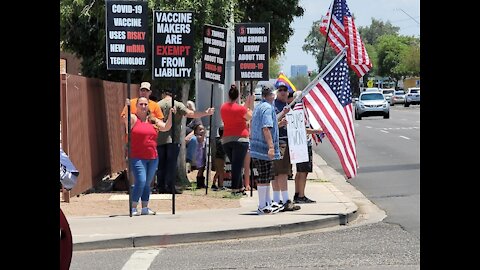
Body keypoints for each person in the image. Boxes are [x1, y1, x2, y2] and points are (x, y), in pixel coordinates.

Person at [156, 89, 215, 194]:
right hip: (173, 138)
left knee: (161, 164)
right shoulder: (178, 105)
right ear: (173, 94)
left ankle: (160, 186)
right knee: (171, 164)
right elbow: (190, 113)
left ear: (163, 94)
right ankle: (169, 186)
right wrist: (205, 113)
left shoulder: (157, 105)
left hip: (160, 139)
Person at [126, 97, 174, 216]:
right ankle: (133, 207)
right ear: (136, 106)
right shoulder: (133, 118)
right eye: (141, 104)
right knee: (141, 181)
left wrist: (171, 115)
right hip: (137, 156)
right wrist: (127, 108)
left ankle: (145, 207)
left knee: (147, 183)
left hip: (153, 157)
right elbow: (126, 123)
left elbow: (166, 127)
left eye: (145, 104)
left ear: (148, 106)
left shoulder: (153, 120)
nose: (143, 106)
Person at [249, 83, 282, 214]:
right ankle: (262, 205)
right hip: (263, 149)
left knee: (266, 176)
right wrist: (271, 147)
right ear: (272, 95)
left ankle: (267, 203)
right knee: (264, 176)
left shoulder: (259, 107)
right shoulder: (268, 108)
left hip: (256, 147)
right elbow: (266, 128)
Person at [291, 91, 324, 204]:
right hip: (302, 144)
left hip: (300, 144)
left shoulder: (298, 110)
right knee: (303, 171)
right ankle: (301, 195)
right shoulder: (299, 111)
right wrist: (317, 131)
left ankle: (298, 193)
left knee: (300, 171)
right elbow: (302, 129)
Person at [220, 84, 253, 196]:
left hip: (226, 140)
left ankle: (239, 187)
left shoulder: (223, 107)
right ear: (238, 96)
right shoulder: (241, 109)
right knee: (237, 165)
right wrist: (250, 107)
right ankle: (235, 189)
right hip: (240, 139)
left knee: (236, 164)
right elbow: (249, 117)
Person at [272, 82, 301, 212]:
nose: (283, 92)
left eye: (285, 90)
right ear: (277, 92)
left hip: (286, 141)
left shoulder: (287, 105)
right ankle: (284, 201)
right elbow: (270, 125)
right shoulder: (274, 107)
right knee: (281, 172)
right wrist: (281, 120)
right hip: (279, 142)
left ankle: (277, 200)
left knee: (280, 172)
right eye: (281, 90)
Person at [211, 126, 226, 191]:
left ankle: (214, 184)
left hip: (219, 158)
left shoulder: (219, 140)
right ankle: (221, 185)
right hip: (220, 158)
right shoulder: (221, 141)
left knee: (218, 172)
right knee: (221, 172)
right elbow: (223, 150)